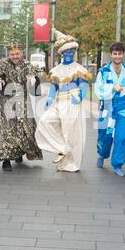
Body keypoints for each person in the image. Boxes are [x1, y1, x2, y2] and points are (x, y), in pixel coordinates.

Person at [35, 29, 92, 172]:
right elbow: (54, 86)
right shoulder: (56, 70)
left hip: (72, 101)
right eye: (65, 52)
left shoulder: (78, 68)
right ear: (61, 53)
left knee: (70, 132)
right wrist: (49, 98)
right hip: (59, 102)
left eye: (70, 52)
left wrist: (79, 97)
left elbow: (84, 85)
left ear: (73, 52)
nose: (68, 54)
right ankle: (62, 148)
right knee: (45, 121)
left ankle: (70, 163)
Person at [0, 43, 43, 171]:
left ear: (22, 53)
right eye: (12, 54)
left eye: (17, 54)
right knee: (5, 130)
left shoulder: (28, 65)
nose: (15, 56)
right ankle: (6, 160)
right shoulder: (2, 64)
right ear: (8, 55)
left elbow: (35, 86)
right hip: (6, 103)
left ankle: (19, 153)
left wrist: (34, 81)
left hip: (23, 103)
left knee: (24, 129)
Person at [94, 42, 125, 177]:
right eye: (115, 53)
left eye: (120, 53)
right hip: (107, 110)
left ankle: (117, 164)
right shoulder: (103, 72)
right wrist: (112, 88)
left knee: (121, 138)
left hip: (122, 110)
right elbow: (98, 89)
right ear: (111, 54)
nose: (117, 56)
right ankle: (102, 155)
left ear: (123, 54)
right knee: (105, 137)